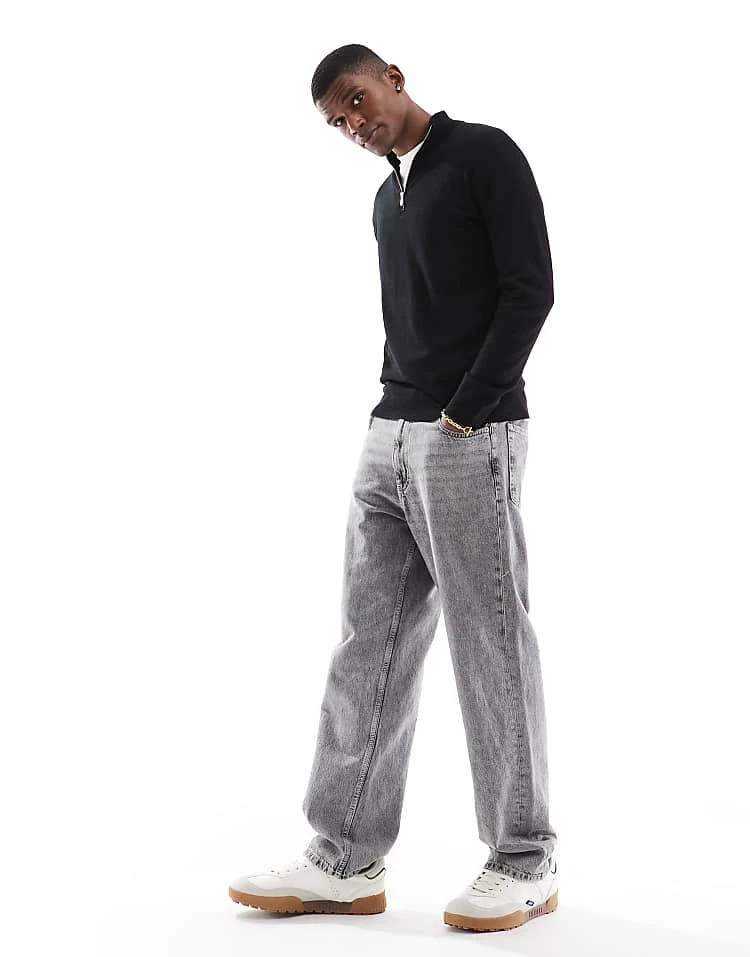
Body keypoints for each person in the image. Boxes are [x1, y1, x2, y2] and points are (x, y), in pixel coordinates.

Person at [228, 43, 559, 933]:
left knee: (489, 641)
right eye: (336, 120)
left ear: (393, 79)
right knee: (367, 641)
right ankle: (343, 854)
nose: (352, 123)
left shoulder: (483, 153)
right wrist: (394, 412)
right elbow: (405, 318)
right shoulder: (387, 195)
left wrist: (465, 412)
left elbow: (531, 290)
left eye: (355, 100)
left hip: (469, 434)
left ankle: (525, 857)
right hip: (389, 433)